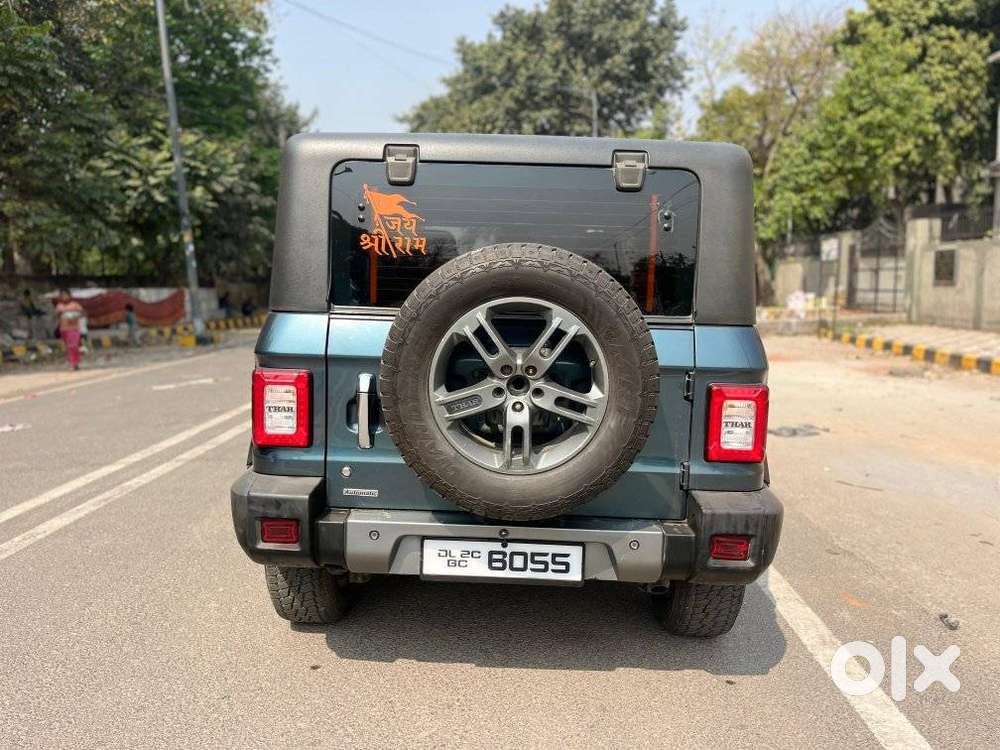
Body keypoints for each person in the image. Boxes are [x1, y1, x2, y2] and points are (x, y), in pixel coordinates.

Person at [54, 288, 84, 370]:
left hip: (74, 328)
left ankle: (74, 363)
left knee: (73, 345)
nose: (64, 297)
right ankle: (73, 362)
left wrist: (74, 315)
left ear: (70, 296)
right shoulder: (59, 306)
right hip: (64, 329)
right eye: (62, 295)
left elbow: (82, 313)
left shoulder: (75, 305)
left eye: (66, 295)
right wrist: (60, 313)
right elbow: (56, 315)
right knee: (69, 347)